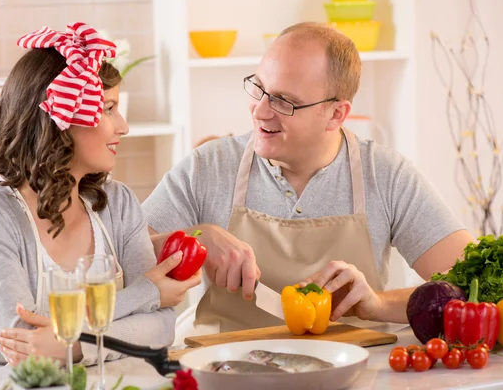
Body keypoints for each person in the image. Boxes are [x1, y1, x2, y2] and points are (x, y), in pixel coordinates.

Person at [143, 22, 474, 333]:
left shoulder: (387, 176)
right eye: (259, 88)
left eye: (284, 101)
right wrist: (194, 237)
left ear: (335, 114)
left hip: (356, 373)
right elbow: (118, 259)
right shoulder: (207, 167)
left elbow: (474, 284)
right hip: (226, 371)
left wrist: (377, 304)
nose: (260, 110)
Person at [0, 22, 201, 368]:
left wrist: (72, 347)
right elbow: (21, 339)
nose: (123, 126)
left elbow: (161, 327)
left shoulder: (117, 203)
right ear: (62, 118)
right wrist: (145, 292)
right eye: (109, 109)